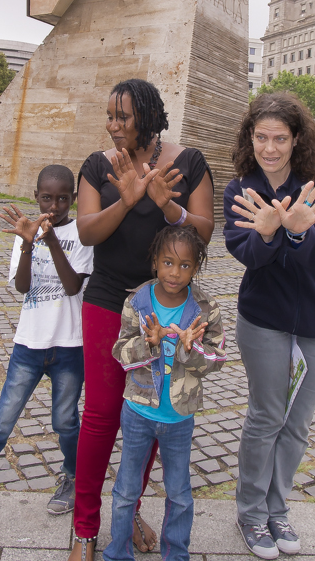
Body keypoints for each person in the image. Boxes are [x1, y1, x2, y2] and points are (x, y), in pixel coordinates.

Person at [70, 78, 214, 561]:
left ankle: (126, 514)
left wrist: (164, 203)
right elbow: (88, 233)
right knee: (101, 417)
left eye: (123, 117)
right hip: (109, 301)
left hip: (165, 307)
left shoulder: (188, 163)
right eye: (109, 116)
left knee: (149, 414)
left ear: (148, 117)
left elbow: (204, 232)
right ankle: (85, 531)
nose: (113, 126)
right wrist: (127, 199)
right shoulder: (97, 167)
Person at [223, 92, 315, 559]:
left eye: (279, 138)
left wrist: (296, 231)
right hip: (264, 320)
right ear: (249, 138)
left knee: (297, 424)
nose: (269, 148)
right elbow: (247, 255)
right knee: (266, 417)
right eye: (260, 137)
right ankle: (251, 513)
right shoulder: (241, 189)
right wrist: (269, 232)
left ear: (296, 140)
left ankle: (277, 509)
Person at [0, 165, 93, 540]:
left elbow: (73, 285)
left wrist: (52, 240)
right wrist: (29, 242)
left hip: (69, 346)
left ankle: (72, 477)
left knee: (65, 421)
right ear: (36, 196)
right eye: (47, 197)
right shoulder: (26, 232)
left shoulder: (83, 234)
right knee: (0, 421)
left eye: (63, 197)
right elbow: (23, 286)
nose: (55, 204)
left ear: (73, 198)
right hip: (29, 345)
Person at [103, 225, 226, 561]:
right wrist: (149, 342)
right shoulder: (138, 301)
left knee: (180, 493)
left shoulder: (205, 309)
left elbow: (217, 359)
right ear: (155, 262)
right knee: (127, 490)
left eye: (185, 265)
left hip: (179, 418)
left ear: (196, 268)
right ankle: (117, 552)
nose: (175, 272)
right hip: (139, 411)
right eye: (168, 262)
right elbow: (119, 351)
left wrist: (190, 349)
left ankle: (177, 554)